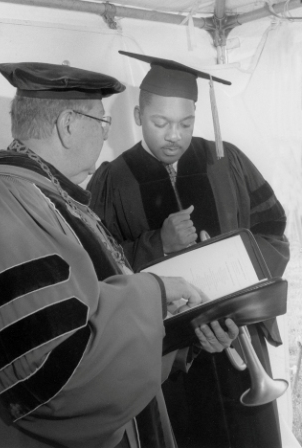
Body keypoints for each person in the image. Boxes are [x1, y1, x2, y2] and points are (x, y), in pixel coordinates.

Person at [0, 62, 240, 448]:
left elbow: (95, 311)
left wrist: (183, 331)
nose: (105, 135)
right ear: (67, 125)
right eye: (101, 122)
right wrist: (154, 291)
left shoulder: (53, 195)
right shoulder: (0, 196)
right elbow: (50, 367)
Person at [87, 52, 290, 448]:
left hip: (240, 338)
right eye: (160, 122)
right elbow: (97, 267)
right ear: (137, 116)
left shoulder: (226, 160)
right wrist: (157, 244)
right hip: (171, 357)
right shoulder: (113, 180)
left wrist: (242, 287)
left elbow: (273, 228)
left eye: (186, 122)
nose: (174, 135)